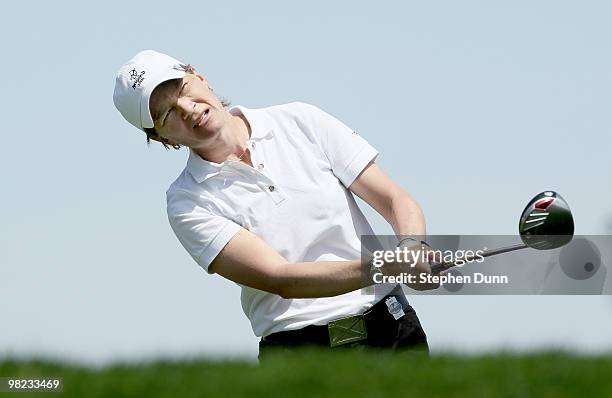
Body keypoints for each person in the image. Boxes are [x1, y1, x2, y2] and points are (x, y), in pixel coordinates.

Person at [113, 50, 439, 360]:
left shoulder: (299, 120)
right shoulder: (187, 201)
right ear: (160, 138)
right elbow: (282, 278)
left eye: (182, 88)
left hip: (393, 328)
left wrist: (412, 247)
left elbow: (394, 200)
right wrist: (387, 265)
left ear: (199, 76)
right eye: (167, 112)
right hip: (300, 353)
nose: (187, 108)